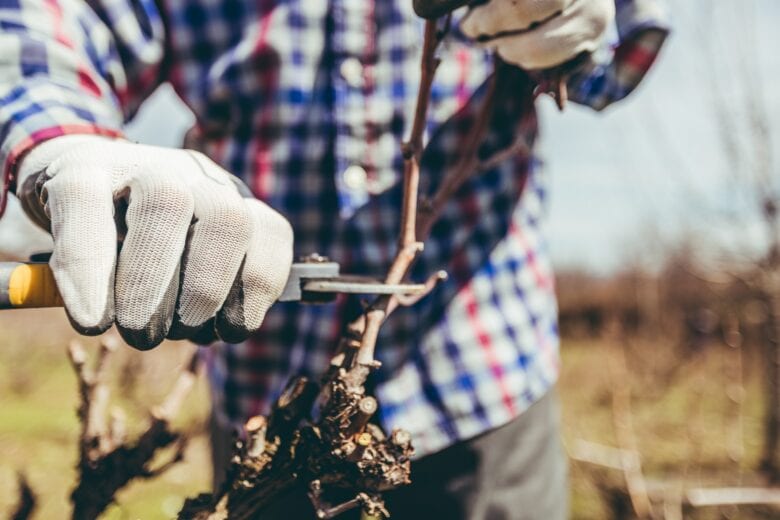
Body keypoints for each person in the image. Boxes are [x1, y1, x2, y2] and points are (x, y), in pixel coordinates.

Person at [0, 0, 668, 517]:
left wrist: (576, 25)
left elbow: (619, 55)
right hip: (266, 409)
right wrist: (59, 142)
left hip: (488, 384)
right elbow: (53, 28)